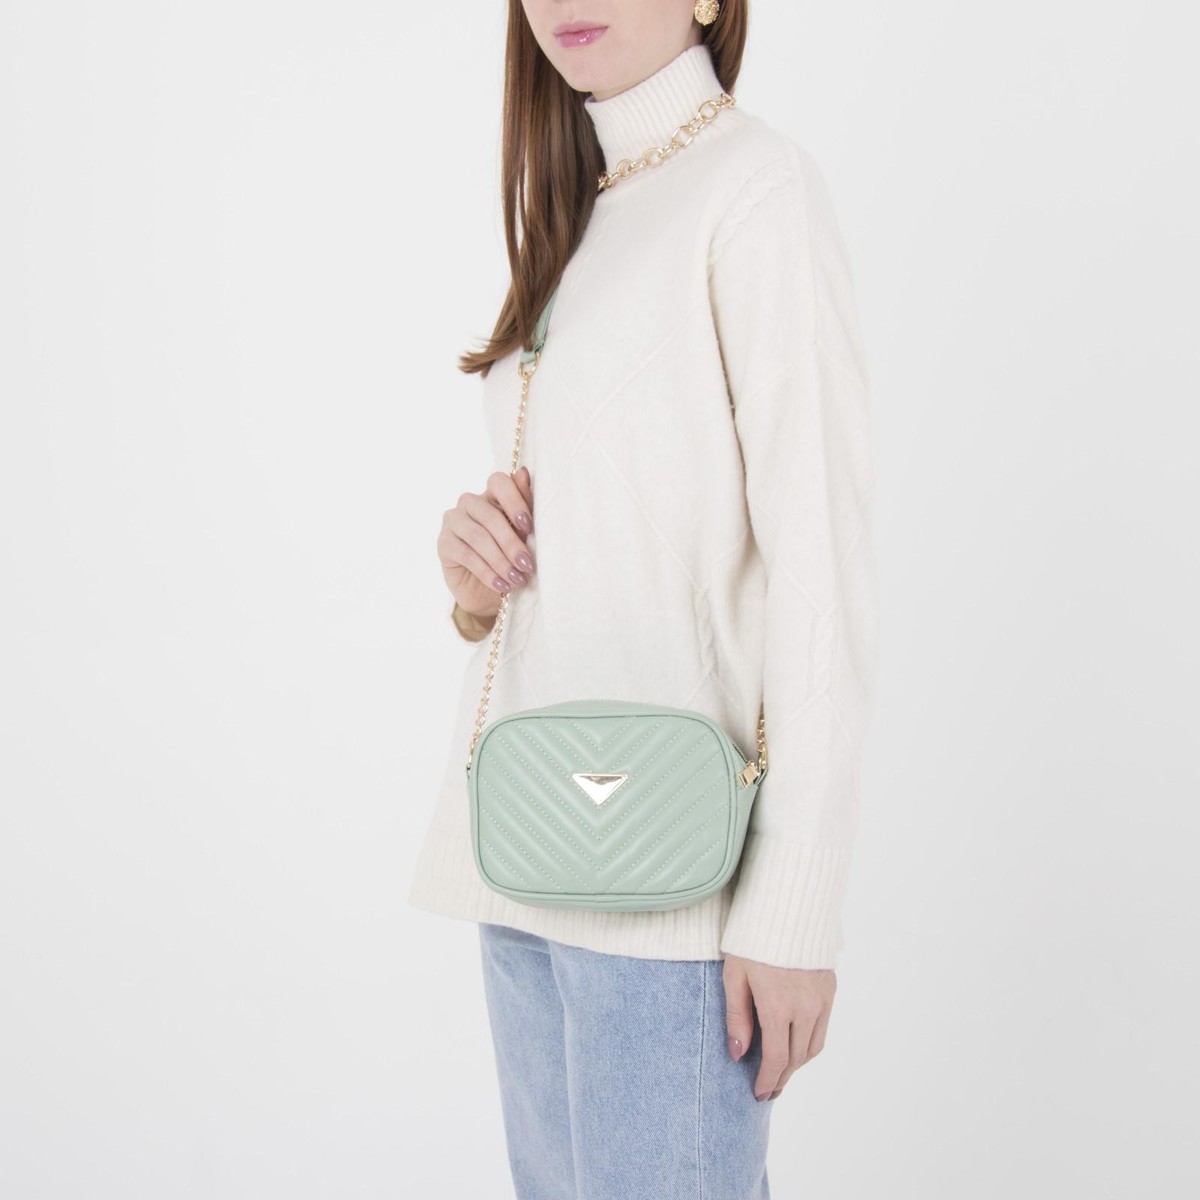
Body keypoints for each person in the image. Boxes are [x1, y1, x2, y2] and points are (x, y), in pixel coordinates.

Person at [408, 2, 878, 1196]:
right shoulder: (586, 211)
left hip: (670, 881)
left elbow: (821, 566)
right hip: (524, 852)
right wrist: (475, 589)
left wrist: (794, 911)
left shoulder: (754, 191)